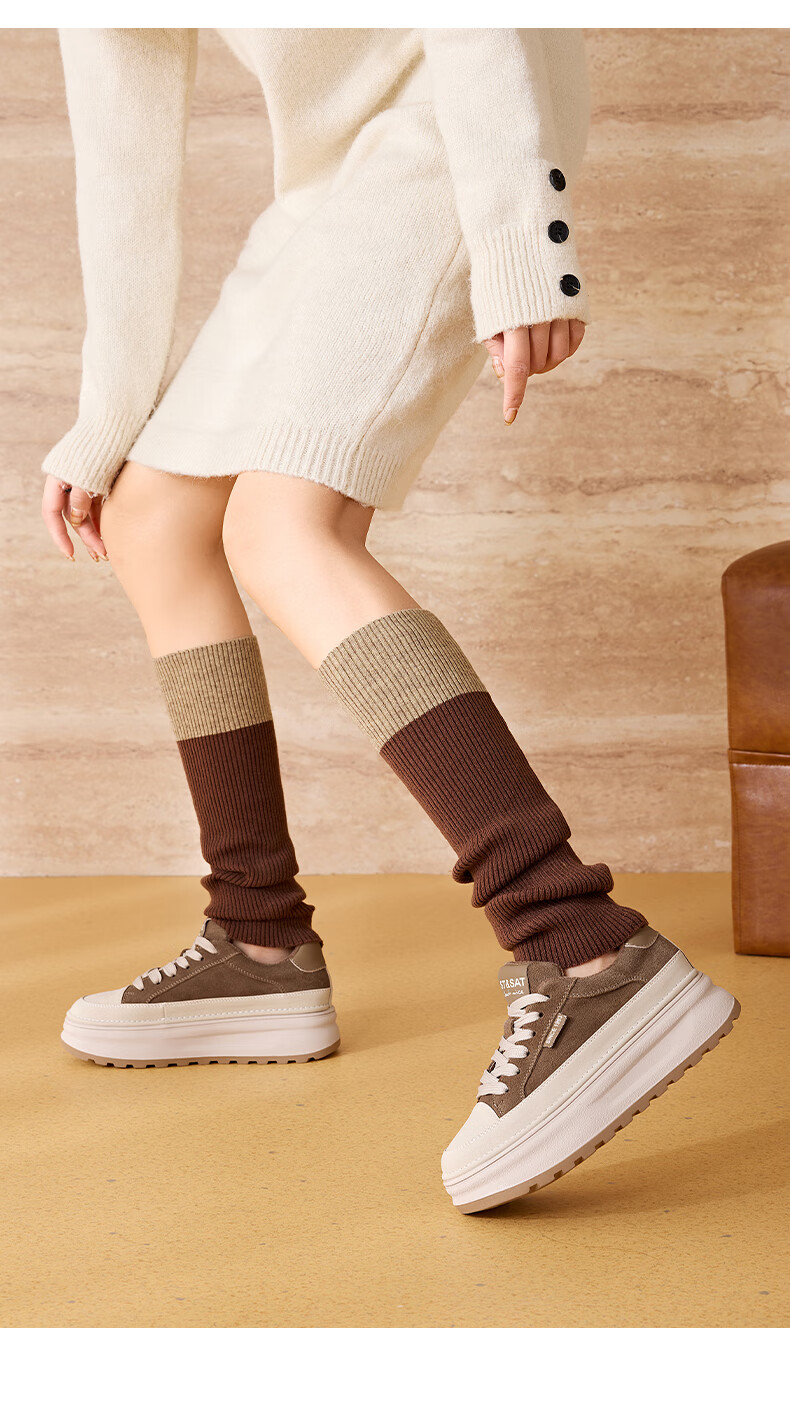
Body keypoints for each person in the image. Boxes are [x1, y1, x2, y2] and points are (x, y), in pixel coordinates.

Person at [41, 28, 739, 1213]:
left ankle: (580, 944)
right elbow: (122, 152)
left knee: (283, 527)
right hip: (322, 183)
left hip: (455, 124)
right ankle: (257, 940)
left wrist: (521, 240)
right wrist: (105, 411)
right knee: (153, 515)